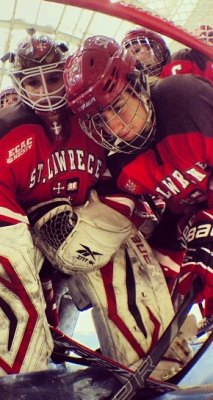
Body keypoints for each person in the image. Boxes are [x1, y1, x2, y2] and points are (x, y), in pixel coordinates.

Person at [0, 34, 193, 400]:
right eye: (33, 82)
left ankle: (148, 358)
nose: (46, 91)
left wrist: (97, 229)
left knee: (123, 250)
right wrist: (24, 247)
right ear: (19, 85)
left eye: (53, 79)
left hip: (80, 234)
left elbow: (124, 183)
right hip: (22, 239)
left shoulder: (96, 118)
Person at [63, 34, 213, 336]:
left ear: (138, 84)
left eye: (119, 106)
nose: (116, 127)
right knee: (151, 281)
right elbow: (133, 212)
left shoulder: (186, 99)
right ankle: (165, 343)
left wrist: (207, 222)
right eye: (100, 118)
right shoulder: (118, 161)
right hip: (182, 212)